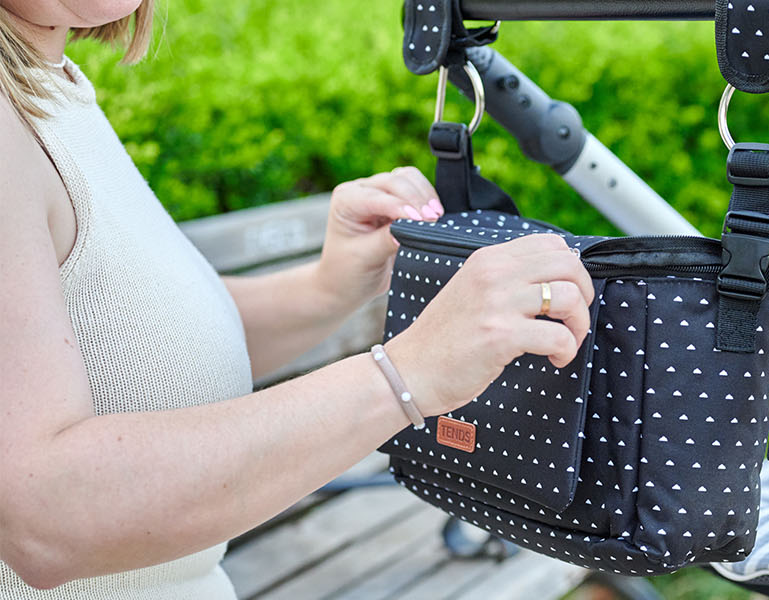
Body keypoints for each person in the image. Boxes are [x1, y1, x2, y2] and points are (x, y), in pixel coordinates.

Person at [0, 1, 596, 596]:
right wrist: (408, 374)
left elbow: (128, 346)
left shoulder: (48, 84)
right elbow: (46, 517)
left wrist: (328, 287)